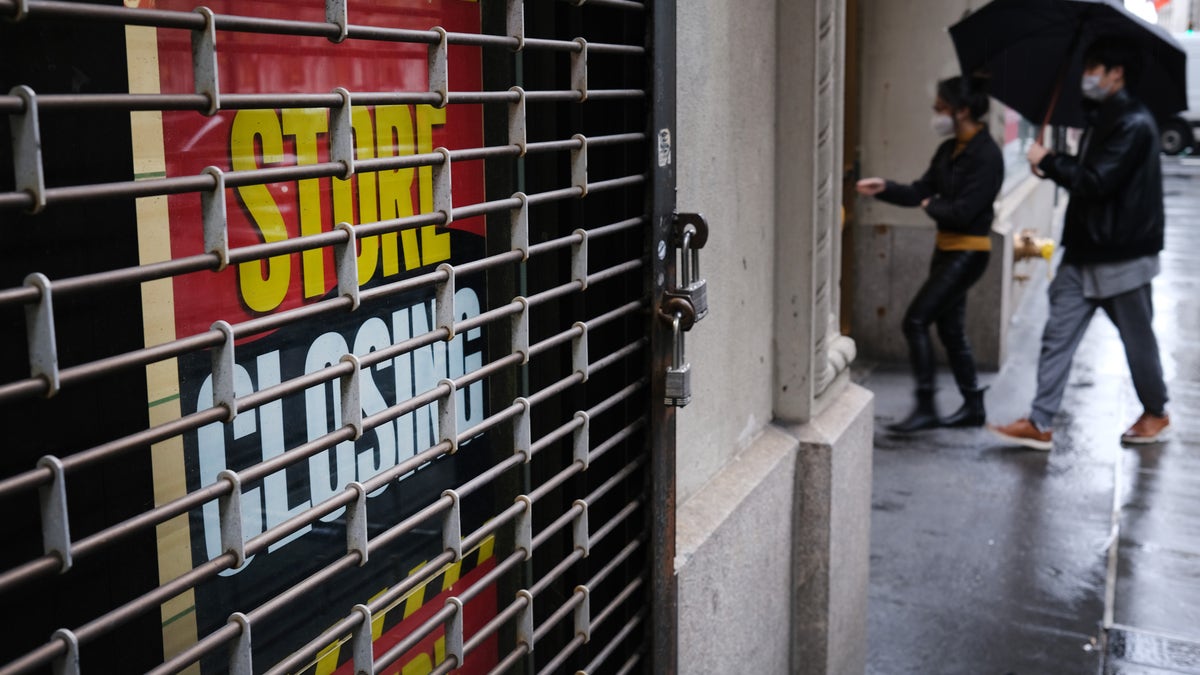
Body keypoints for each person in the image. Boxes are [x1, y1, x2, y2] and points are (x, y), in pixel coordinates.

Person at [989, 36, 1169, 451]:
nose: (1087, 76)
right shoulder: (1103, 117)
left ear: (1116, 73)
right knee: (1057, 334)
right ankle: (1040, 420)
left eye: (1094, 68)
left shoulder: (1133, 123)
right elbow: (1087, 174)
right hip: (1085, 250)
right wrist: (1050, 165)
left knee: (1138, 341)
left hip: (1122, 255)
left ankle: (1156, 411)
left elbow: (1097, 181)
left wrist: (1049, 162)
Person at [857, 74, 1003, 432]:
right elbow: (921, 190)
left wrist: (931, 204)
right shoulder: (949, 149)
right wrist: (885, 188)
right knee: (950, 330)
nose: (935, 115)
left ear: (963, 110)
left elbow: (965, 211)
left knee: (916, 320)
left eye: (941, 108)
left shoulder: (988, 156)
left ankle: (926, 405)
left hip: (969, 253)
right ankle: (973, 405)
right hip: (946, 250)